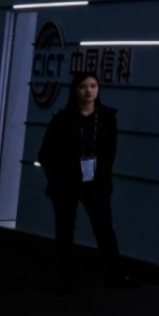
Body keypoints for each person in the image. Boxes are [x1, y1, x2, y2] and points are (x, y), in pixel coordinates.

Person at [38, 69, 128, 292]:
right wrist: (57, 177)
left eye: (93, 86)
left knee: (104, 228)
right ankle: (67, 277)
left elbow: (110, 152)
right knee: (65, 228)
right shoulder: (63, 119)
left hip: (96, 181)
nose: (89, 91)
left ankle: (116, 276)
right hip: (67, 181)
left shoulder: (106, 117)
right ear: (74, 90)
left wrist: (104, 179)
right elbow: (46, 154)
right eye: (83, 87)